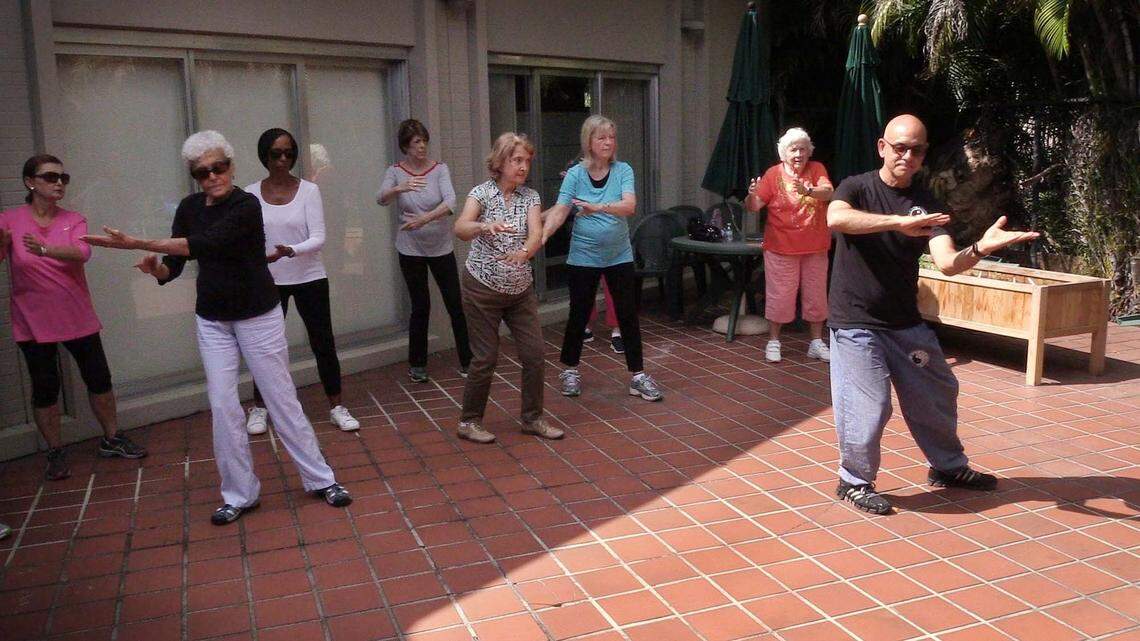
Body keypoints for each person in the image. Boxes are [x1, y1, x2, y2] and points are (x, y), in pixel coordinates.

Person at [83, 130, 351, 525]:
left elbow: (205, 244)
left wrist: (138, 242)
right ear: (195, 175)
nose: (211, 176)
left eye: (218, 167)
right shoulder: (190, 208)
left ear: (231, 166)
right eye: (202, 172)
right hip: (213, 320)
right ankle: (240, 494)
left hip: (258, 314)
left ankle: (320, 478)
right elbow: (175, 265)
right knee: (224, 406)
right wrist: (156, 268)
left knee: (280, 398)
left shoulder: (246, 204)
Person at [826, 114, 1039, 514]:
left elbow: (946, 262)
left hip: (905, 322)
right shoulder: (856, 186)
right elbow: (836, 218)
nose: (907, 155)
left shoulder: (928, 203)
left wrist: (981, 248)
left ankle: (948, 468)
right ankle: (853, 480)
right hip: (855, 321)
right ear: (882, 148)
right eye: (899, 147)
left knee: (937, 393)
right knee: (869, 404)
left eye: (917, 149)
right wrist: (900, 224)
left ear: (924, 153)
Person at [0, 155, 146, 481]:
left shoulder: (73, 219)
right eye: (50, 177)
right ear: (30, 182)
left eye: (63, 178)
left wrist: (46, 249)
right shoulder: (9, 220)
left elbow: (82, 253)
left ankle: (111, 438)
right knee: (45, 388)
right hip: (32, 321)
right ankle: (54, 451)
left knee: (99, 378)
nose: (59, 183)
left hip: (77, 316)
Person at [243, 128, 359, 435]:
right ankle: (259, 407)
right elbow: (246, 238)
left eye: (288, 154)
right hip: (268, 281)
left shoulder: (309, 190)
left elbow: (319, 237)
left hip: (309, 277)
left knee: (323, 342)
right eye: (275, 154)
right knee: (265, 347)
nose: (283, 160)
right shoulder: (250, 193)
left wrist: (291, 251)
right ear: (264, 156)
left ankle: (337, 406)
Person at [541, 115, 662, 401]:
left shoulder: (623, 170)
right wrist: (541, 238)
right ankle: (570, 369)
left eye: (611, 137)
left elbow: (629, 206)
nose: (608, 142)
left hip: (619, 255)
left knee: (627, 314)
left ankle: (638, 376)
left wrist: (598, 208)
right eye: (601, 137)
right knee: (578, 314)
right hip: (583, 256)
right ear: (589, 142)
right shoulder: (575, 175)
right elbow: (560, 209)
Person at [452, 132, 562, 444]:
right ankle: (469, 422)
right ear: (500, 162)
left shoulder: (531, 197)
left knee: (535, 353)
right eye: (516, 160)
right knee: (485, 357)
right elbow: (460, 227)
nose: (523, 166)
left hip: (519, 289)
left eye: (527, 161)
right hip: (482, 288)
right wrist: (483, 226)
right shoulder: (481, 194)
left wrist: (525, 252)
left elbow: (536, 234)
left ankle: (533, 418)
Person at [378, 119, 472, 383]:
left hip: (440, 246)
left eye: (424, 141)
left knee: (455, 301)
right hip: (410, 248)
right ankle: (417, 364)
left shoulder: (440, 169)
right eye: (416, 142)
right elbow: (380, 198)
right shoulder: (395, 171)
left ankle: (468, 359)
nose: (421, 147)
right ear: (405, 147)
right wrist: (399, 188)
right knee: (420, 306)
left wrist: (425, 219)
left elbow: (451, 201)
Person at [745, 127, 834, 363]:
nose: (799, 154)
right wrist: (751, 195)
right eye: (794, 150)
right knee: (779, 296)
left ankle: (816, 342)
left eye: (803, 150)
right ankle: (773, 341)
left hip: (815, 247)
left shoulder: (817, 169)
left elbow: (828, 193)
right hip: (781, 247)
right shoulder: (773, 174)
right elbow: (754, 207)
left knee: (816, 296)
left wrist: (809, 190)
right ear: (784, 153)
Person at [558, 156, 623, 353]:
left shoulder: (616, 175)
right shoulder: (575, 172)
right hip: (583, 241)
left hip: (611, 239)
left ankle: (618, 331)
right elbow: (564, 209)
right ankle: (585, 325)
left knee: (613, 287)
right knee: (583, 285)